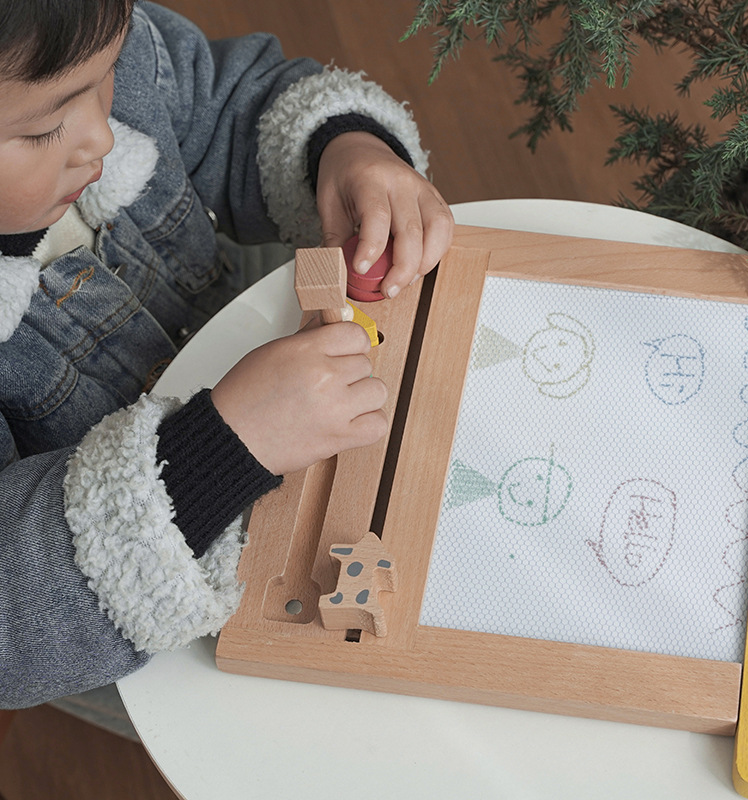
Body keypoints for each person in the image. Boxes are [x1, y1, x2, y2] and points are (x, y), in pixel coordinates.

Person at [0, 0, 453, 710]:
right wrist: (220, 449)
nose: (99, 138)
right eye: (43, 127)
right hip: (145, 623)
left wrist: (346, 148)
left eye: (107, 73)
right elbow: (12, 622)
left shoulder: (74, 39)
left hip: (290, 415)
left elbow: (236, 104)